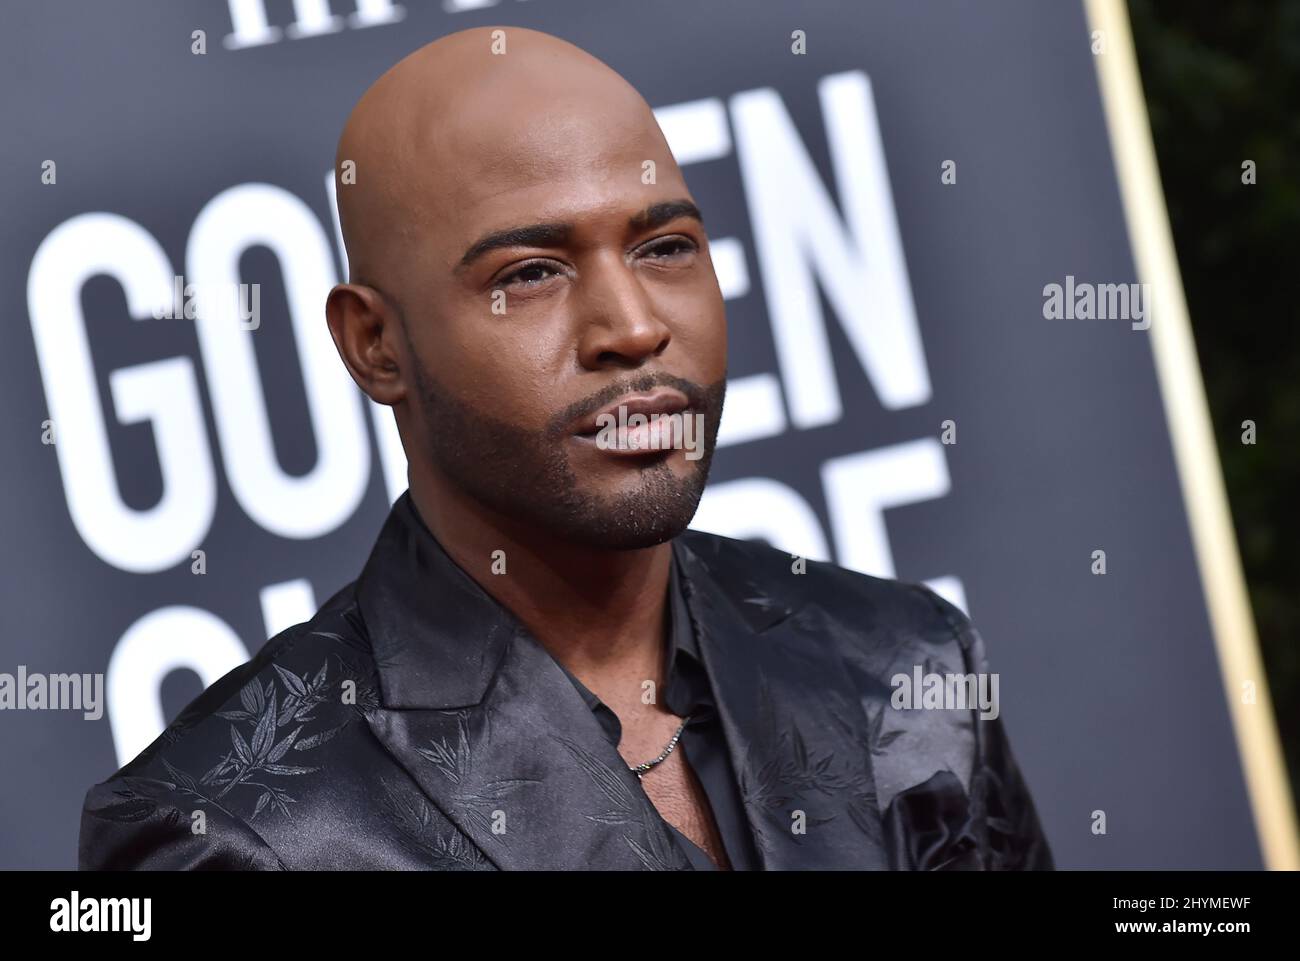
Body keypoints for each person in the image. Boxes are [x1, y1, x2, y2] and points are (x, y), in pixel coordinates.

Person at [78, 25, 1052, 871]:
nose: (630, 327)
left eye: (665, 247)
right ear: (375, 345)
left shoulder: (905, 665)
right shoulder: (238, 828)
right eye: (532, 272)